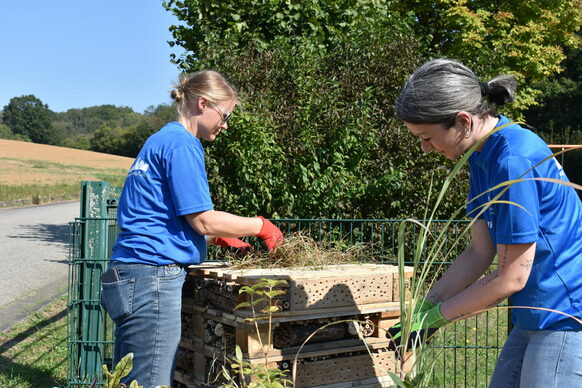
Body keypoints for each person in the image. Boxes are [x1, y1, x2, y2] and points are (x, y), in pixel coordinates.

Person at [388, 58, 582, 387]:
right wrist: (424, 307)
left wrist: (435, 319)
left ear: (463, 121)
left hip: (566, 312)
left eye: (427, 137)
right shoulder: (481, 156)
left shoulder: (511, 159)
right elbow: (479, 252)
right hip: (535, 310)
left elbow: (511, 277)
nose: (424, 149)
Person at [99, 70, 284, 388]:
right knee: (150, 381)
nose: (224, 125)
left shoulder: (159, 140)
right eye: (224, 115)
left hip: (130, 275)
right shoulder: (183, 145)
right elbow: (202, 218)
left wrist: (216, 237)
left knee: (128, 378)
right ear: (202, 103)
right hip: (152, 278)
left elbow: (160, 217)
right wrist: (260, 225)